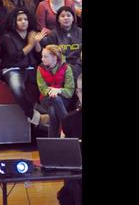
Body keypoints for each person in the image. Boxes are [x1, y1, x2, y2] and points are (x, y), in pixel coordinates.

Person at [0, 8, 49, 128]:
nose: (23, 22)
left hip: (31, 67)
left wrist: (36, 43)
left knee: (48, 82)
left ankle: (50, 115)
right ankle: (34, 116)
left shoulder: (32, 34)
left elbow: (39, 56)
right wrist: (31, 44)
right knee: (17, 88)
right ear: (13, 22)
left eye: (26, 19)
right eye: (20, 20)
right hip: (13, 69)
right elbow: (15, 56)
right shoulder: (7, 37)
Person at [36, 45, 75, 137]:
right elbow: (42, 89)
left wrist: (58, 91)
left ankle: (52, 144)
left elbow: (70, 91)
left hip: (63, 99)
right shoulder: (40, 69)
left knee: (53, 112)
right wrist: (52, 91)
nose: (42, 59)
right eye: (42, 56)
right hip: (46, 99)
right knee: (55, 99)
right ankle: (69, 127)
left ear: (54, 57)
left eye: (45, 56)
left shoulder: (66, 68)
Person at [57, 73, 82, 205]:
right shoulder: (69, 120)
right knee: (69, 192)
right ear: (77, 93)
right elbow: (63, 153)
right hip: (77, 174)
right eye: (81, 91)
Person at [40, 6, 82, 81]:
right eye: (62, 16)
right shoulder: (53, 34)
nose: (66, 18)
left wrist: (77, 66)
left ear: (73, 18)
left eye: (68, 15)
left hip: (79, 65)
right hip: (61, 67)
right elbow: (51, 55)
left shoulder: (80, 32)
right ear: (58, 19)